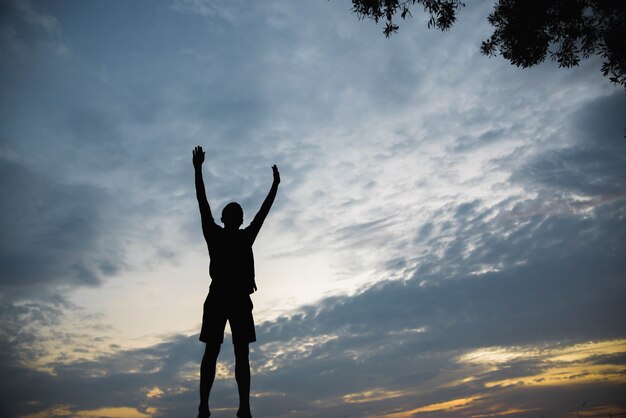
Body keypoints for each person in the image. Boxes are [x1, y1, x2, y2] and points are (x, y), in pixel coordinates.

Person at [193, 145, 280, 418]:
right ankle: (227, 408)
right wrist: (275, 186)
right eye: (237, 215)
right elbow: (203, 202)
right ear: (237, 220)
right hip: (225, 296)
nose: (237, 219)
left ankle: (233, 407)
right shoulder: (235, 236)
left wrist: (198, 170)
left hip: (229, 296)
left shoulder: (230, 235)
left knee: (224, 352)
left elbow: (203, 202)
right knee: (229, 353)